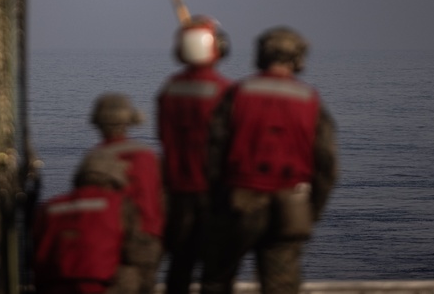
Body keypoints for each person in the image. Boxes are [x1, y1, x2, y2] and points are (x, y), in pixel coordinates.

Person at [201, 26, 338, 294]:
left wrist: (217, 203)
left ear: (261, 56)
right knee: (281, 287)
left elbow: (213, 154)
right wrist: (311, 211)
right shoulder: (310, 100)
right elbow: (327, 167)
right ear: (298, 59)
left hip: (239, 204)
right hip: (291, 207)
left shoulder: (237, 94)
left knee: (217, 279)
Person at [156, 16, 232, 294]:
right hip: (214, 195)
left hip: (177, 193)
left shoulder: (169, 90)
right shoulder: (225, 91)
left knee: (180, 265)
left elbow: (163, 136)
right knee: (217, 271)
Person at [33, 151, 143, 294]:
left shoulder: (48, 207)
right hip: (99, 284)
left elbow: (38, 250)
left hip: (54, 284)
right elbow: (134, 250)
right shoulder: (119, 204)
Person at [86, 93, 164, 294]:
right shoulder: (147, 155)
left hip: (112, 239)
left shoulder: (94, 159)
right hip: (148, 238)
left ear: (97, 123)